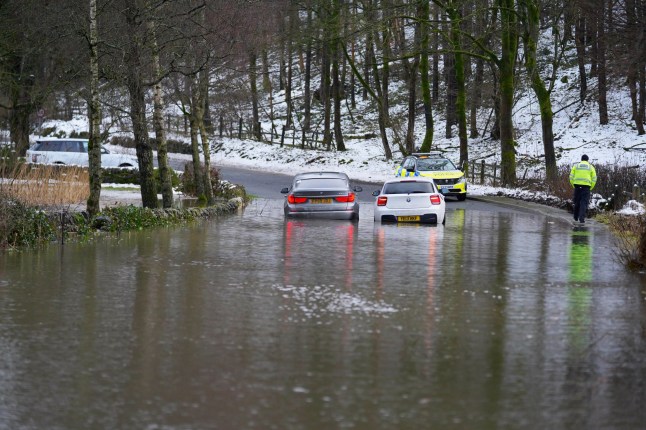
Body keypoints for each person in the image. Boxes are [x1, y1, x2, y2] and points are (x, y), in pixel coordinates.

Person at [569, 154, 597, 223]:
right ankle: (582, 218)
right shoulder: (591, 167)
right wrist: (591, 187)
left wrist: (573, 185)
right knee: (584, 203)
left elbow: (571, 177)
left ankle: (575, 217)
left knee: (577, 202)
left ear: (581, 159)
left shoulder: (576, 166)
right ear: (587, 160)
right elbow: (594, 178)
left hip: (577, 186)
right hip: (586, 187)